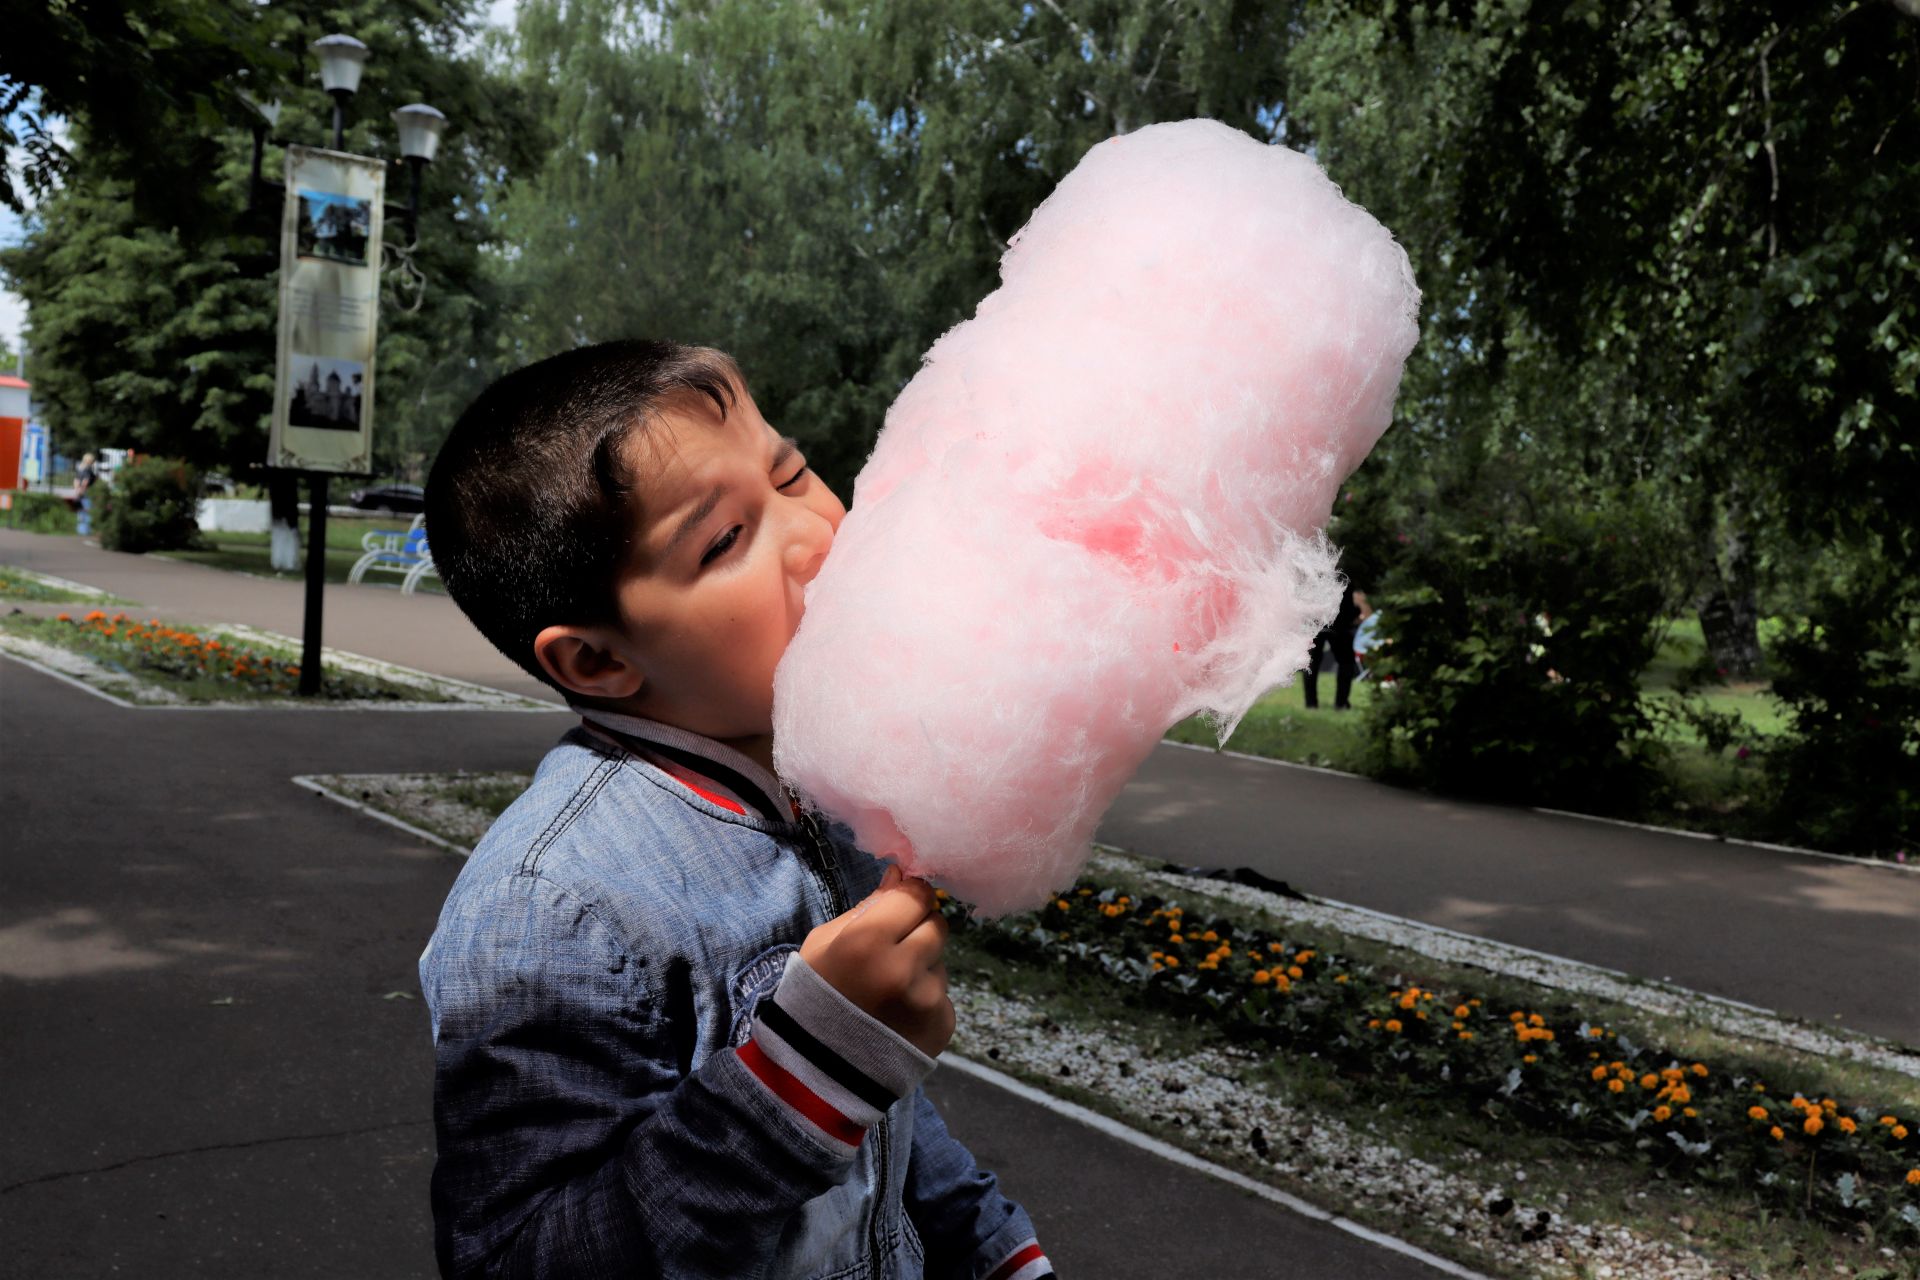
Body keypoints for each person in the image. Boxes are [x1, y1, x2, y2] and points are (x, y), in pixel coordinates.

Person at [418, 341, 1052, 1280]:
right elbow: (520, 1259)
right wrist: (802, 1077)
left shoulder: (824, 799)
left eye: (791, 473)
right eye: (723, 540)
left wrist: (994, 1253)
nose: (817, 536)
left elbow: (883, 1132)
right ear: (597, 662)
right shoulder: (550, 909)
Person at [1302, 584, 1361, 710]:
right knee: (1346, 662)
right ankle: (1341, 703)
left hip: (1316, 619)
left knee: (1312, 662)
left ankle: (1311, 704)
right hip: (1340, 620)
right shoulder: (1346, 569)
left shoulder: (1316, 569)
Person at [73, 451, 98, 537]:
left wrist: (77, 490)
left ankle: (80, 529)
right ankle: (86, 530)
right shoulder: (88, 469)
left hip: (79, 491)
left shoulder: (80, 468)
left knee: (80, 510)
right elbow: (85, 481)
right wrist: (83, 489)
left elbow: (76, 480)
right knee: (88, 510)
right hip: (86, 492)